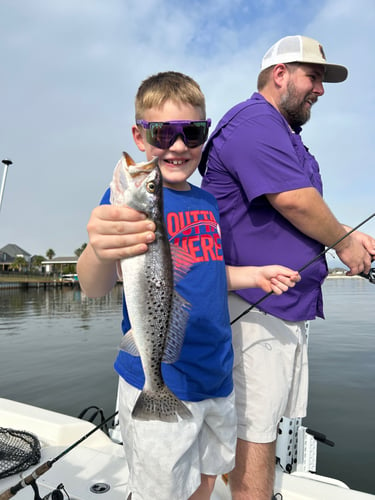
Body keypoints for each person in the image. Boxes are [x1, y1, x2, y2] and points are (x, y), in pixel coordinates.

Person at [77, 71, 300, 500]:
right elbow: (94, 285)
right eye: (162, 133)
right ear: (139, 135)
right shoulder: (125, 208)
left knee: (207, 476)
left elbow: (207, 272)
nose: (178, 146)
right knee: (161, 491)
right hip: (157, 375)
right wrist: (99, 250)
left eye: (193, 133)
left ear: (204, 134)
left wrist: (253, 275)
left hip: (216, 376)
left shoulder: (207, 201)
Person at [199, 35, 375, 500]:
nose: (320, 89)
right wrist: (344, 242)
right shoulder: (254, 121)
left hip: (282, 311)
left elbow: (307, 206)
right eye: (313, 77)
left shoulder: (283, 135)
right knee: (255, 432)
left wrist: (351, 238)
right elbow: (295, 201)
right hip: (255, 311)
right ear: (280, 74)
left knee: (258, 426)